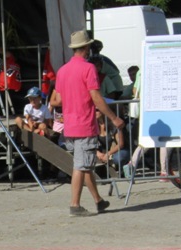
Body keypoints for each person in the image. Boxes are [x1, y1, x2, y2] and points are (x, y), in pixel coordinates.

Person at [51, 30, 125, 217]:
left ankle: (98, 201)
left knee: (84, 164)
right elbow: (96, 97)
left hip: (69, 125)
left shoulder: (62, 70)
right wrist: (113, 118)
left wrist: (72, 96)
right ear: (86, 47)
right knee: (81, 166)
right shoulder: (89, 68)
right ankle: (75, 205)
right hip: (84, 123)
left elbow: (57, 99)